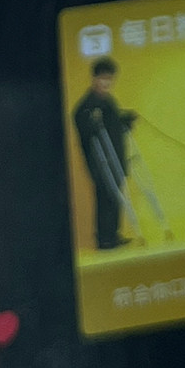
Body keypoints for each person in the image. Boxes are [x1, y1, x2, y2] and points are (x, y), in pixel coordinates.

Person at [72, 59, 137, 251]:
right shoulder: (86, 106)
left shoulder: (108, 101)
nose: (106, 83)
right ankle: (104, 239)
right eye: (103, 78)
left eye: (110, 79)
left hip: (115, 157)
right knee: (105, 196)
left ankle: (113, 235)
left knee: (115, 195)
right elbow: (83, 126)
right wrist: (92, 125)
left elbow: (113, 125)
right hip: (100, 161)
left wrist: (125, 120)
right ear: (94, 78)